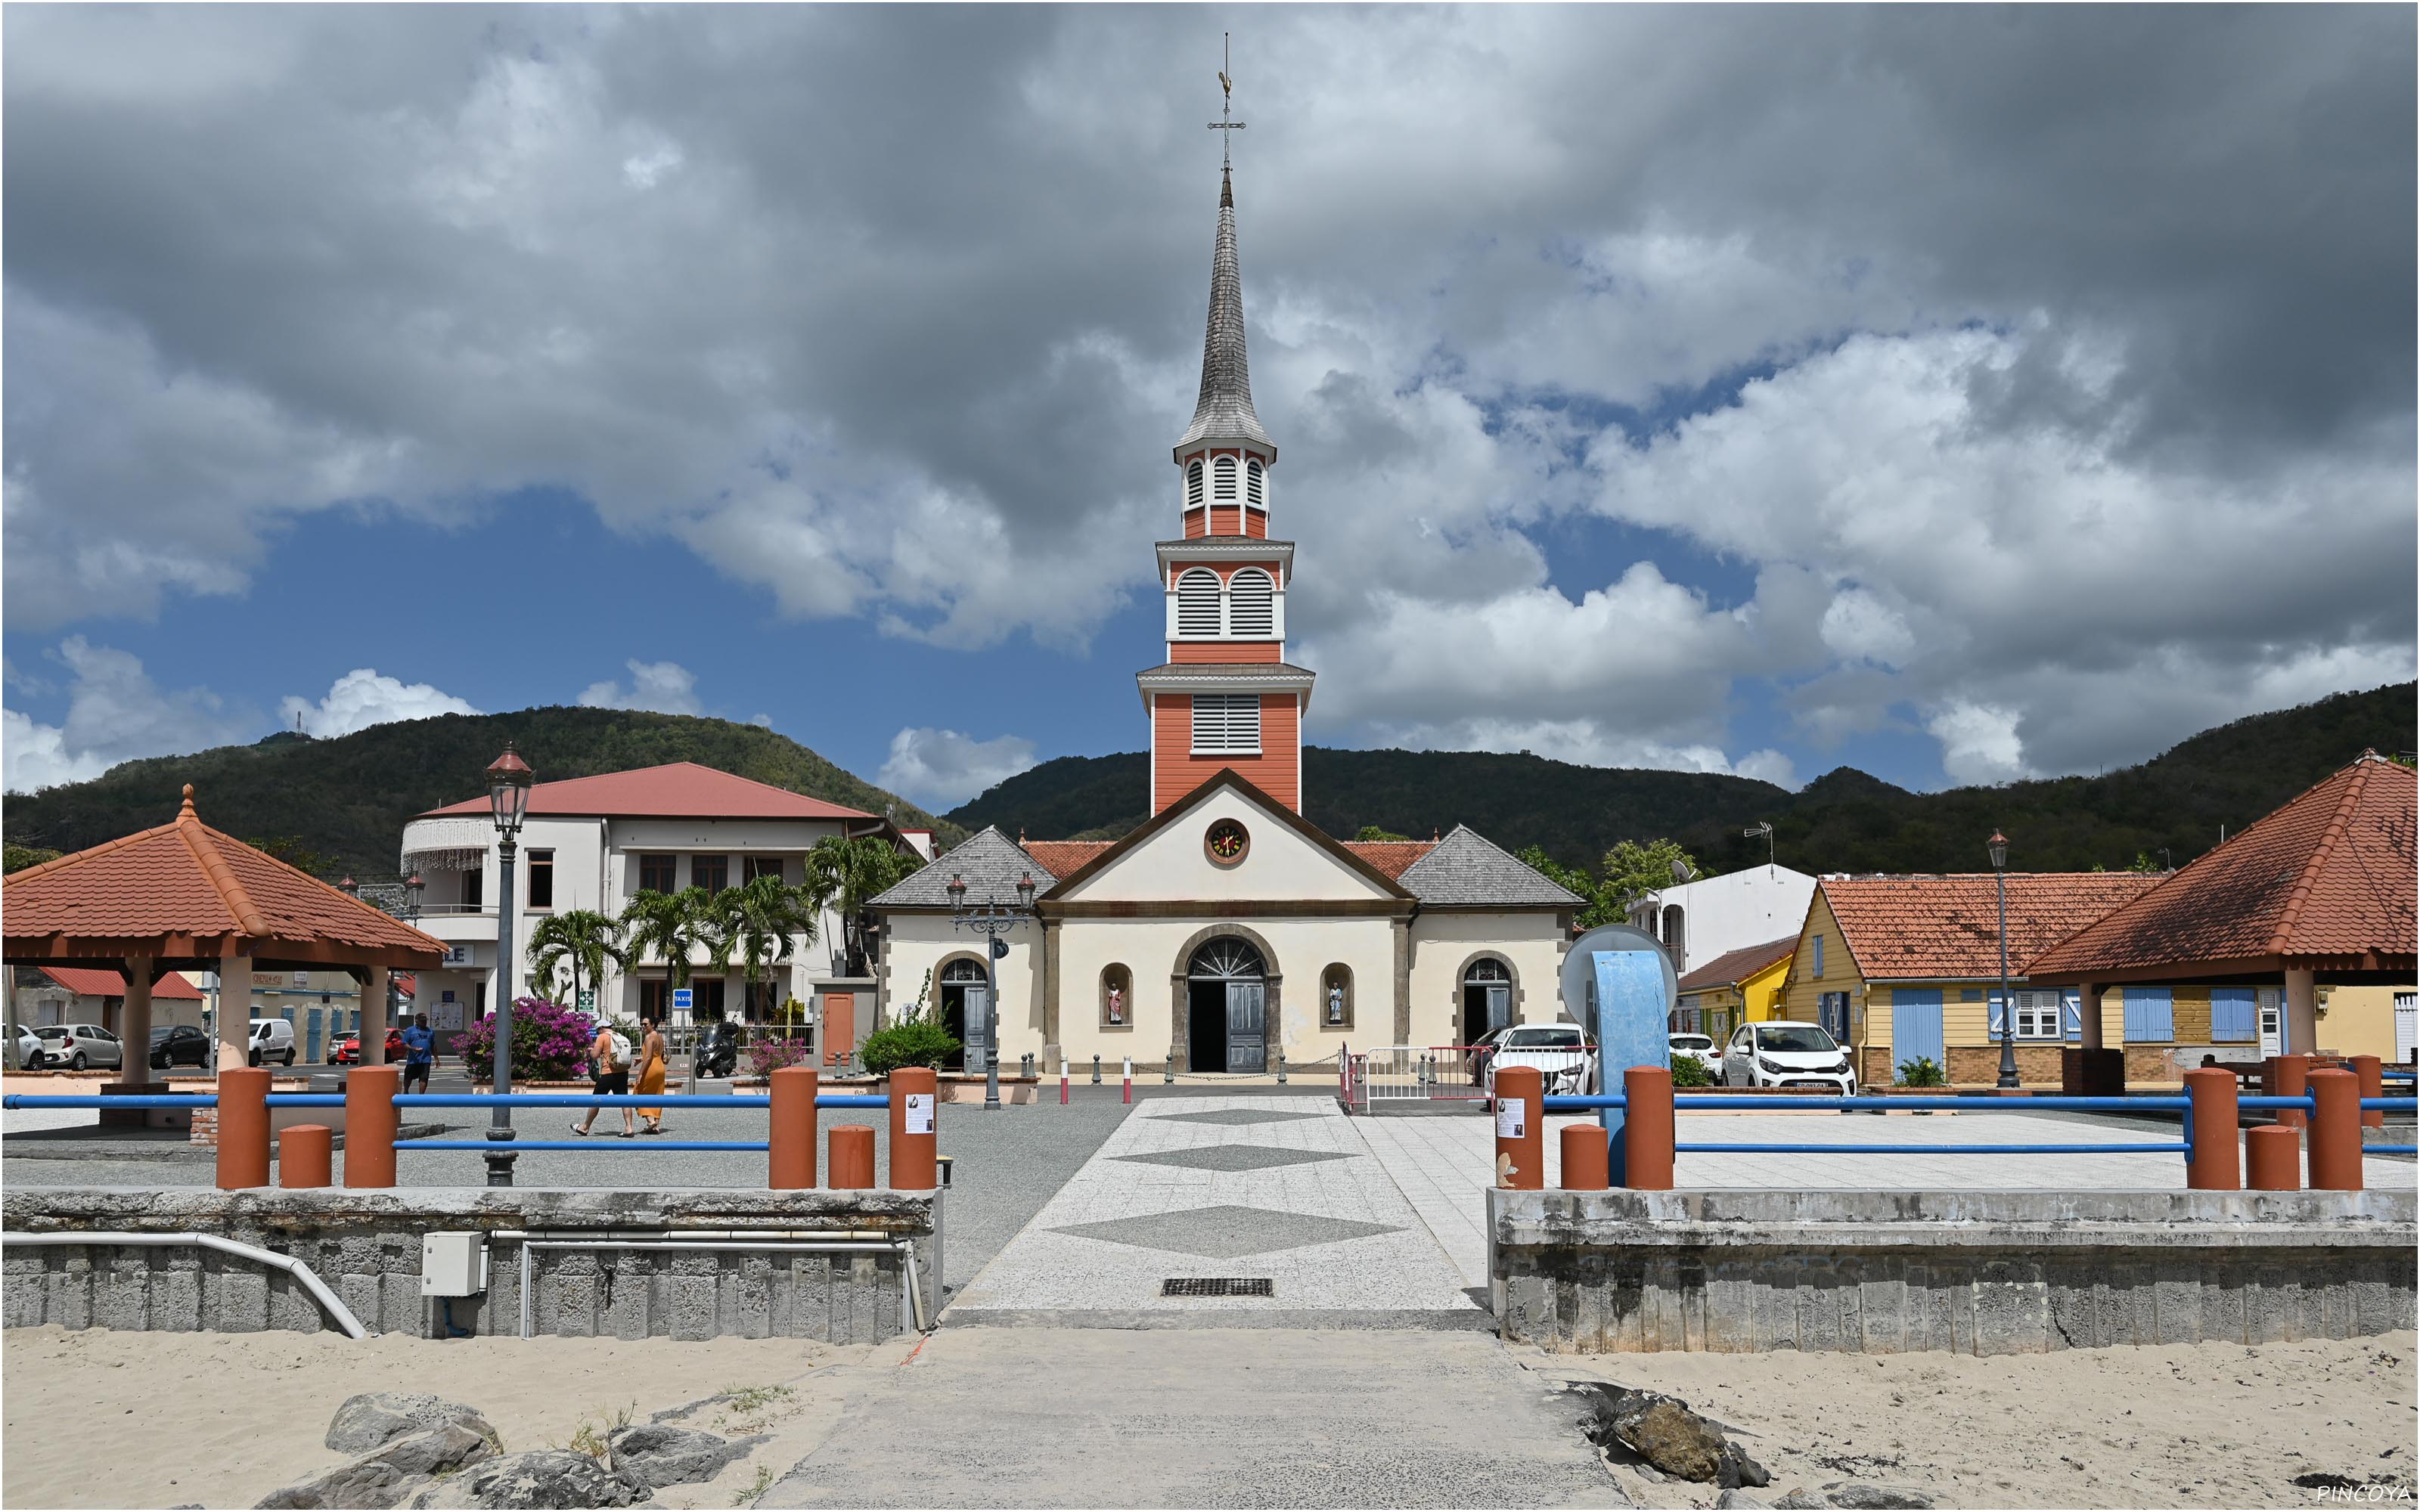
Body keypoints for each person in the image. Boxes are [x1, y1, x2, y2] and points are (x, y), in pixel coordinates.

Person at [570, 1020, 636, 1138]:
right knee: (624, 1100)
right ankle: (629, 1128)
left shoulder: (602, 1037)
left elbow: (595, 1055)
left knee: (596, 1100)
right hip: (622, 1073)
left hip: (608, 1073)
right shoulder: (620, 1036)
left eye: (597, 1031)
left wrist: (591, 1051)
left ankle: (585, 1127)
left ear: (601, 1028)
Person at [634, 1016, 669, 1135]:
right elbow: (657, 1054)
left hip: (651, 1068)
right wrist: (641, 1059)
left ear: (653, 1025)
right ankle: (656, 1125)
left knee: (638, 1093)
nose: (643, 1027)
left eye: (645, 1024)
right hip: (660, 1067)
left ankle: (650, 1121)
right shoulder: (659, 1037)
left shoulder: (649, 1037)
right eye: (642, 1025)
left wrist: (640, 1073)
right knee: (657, 1095)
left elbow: (649, 1058)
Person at [399, 1013, 437, 1094]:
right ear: (417, 1021)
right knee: (408, 1077)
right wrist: (413, 1048)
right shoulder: (410, 1030)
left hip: (426, 1060)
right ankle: (406, 1091)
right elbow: (404, 1043)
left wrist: (436, 1058)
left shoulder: (430, 1031)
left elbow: (433, 1045)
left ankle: (421, 1096)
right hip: (413, 1060)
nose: (424, 1023)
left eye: (425, 1021)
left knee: (424, 1078)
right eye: (422, 1021)